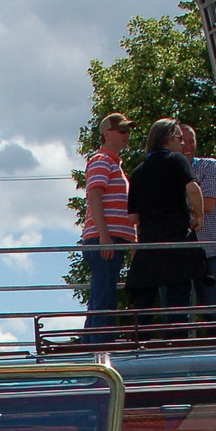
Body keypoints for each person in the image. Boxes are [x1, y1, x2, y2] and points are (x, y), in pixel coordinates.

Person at [125, 119, 205, 338]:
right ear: (168, 138)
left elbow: (133, 216)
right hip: (175, 235)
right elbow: (193, 188)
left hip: (149, 239)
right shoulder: (177, 160)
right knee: (177, 295)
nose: (182, 144)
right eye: (179, 138)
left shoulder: (139, 171)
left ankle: (138, 344)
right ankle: (175, 344)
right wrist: (199, 215)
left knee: (144, 298)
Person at [80, 112, 137, 343]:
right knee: (104, 300)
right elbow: (94, 196)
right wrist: (104, 235)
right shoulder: (102, 160)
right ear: (107, 133)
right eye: (122, 131)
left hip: (110, 239)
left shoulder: (113, 163)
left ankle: (90, 350)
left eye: (128, 130)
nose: (127, 135)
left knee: (101, 298)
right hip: (104, 239)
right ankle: (100, 352)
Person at [179, 124, 216, 314]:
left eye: (192, 141)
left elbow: (208, 204)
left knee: (214, 311)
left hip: (207, 250)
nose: (188, 146)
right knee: (176, 313)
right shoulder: (166, 170)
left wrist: (181, 208)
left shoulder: (209, 165)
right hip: (176, 252)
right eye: (182, 142)